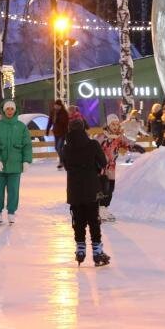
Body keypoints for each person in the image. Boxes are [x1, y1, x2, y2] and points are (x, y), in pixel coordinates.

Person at [60, 111, 111, 266]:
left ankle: (80, 250)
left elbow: (67, 166)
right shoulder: (93, 145)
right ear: (83, 129)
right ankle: (97, 252)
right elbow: (103, 162)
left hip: (74, 190)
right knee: (94, 221)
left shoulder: (66, 148)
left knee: (78, 220)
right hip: (91, 188)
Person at [0, 100, 33, 225]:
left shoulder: (21, 127)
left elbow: (27, 146)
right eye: (7, 109)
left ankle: (11, 212)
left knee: (13, 190)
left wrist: (26, 161)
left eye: (11, 109)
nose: (9, 111)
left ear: (15, 110)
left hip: (15, 165)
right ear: (3, 110)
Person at [97, 113, 145, 222]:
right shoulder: (102, 137)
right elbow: (93, 148)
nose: (115, 126)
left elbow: (127, 144)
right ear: (108, 125)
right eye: (112, 124)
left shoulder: (119, 137)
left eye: (116, 124)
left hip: (111, 168)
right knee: (103, 188)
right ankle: (99, 210)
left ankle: (105, 209)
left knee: (110, 188)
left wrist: (135, 147)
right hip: (101, 167)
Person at [51, 99, 69, 169]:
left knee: (59, 147)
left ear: (60, 106)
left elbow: (65, 123)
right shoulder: (53, 112)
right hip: (56, 133)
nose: (56, 107)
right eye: (55, 105)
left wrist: (58, 117)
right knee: (56, 147)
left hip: (62, 133)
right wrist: (47, 130)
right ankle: (63, 160)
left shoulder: (64, 112)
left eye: (57, 105)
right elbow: (50, 121)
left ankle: (62, 162)